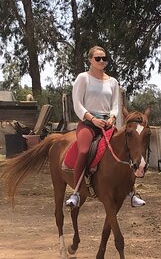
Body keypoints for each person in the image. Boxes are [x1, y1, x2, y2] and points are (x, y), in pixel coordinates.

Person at [66, 45, 123, 210]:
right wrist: (92, 118)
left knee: (125, 147)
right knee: (83, 151)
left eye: (104, 58)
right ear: (90, 60)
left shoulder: (113, 82)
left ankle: (130, 191)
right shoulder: (83, 78)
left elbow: (115, 105)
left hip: (107, 122)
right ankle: (76, 192)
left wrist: (112, 117)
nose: (101, 61)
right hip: (89, 123)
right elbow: (77, 104)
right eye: (97, 58)